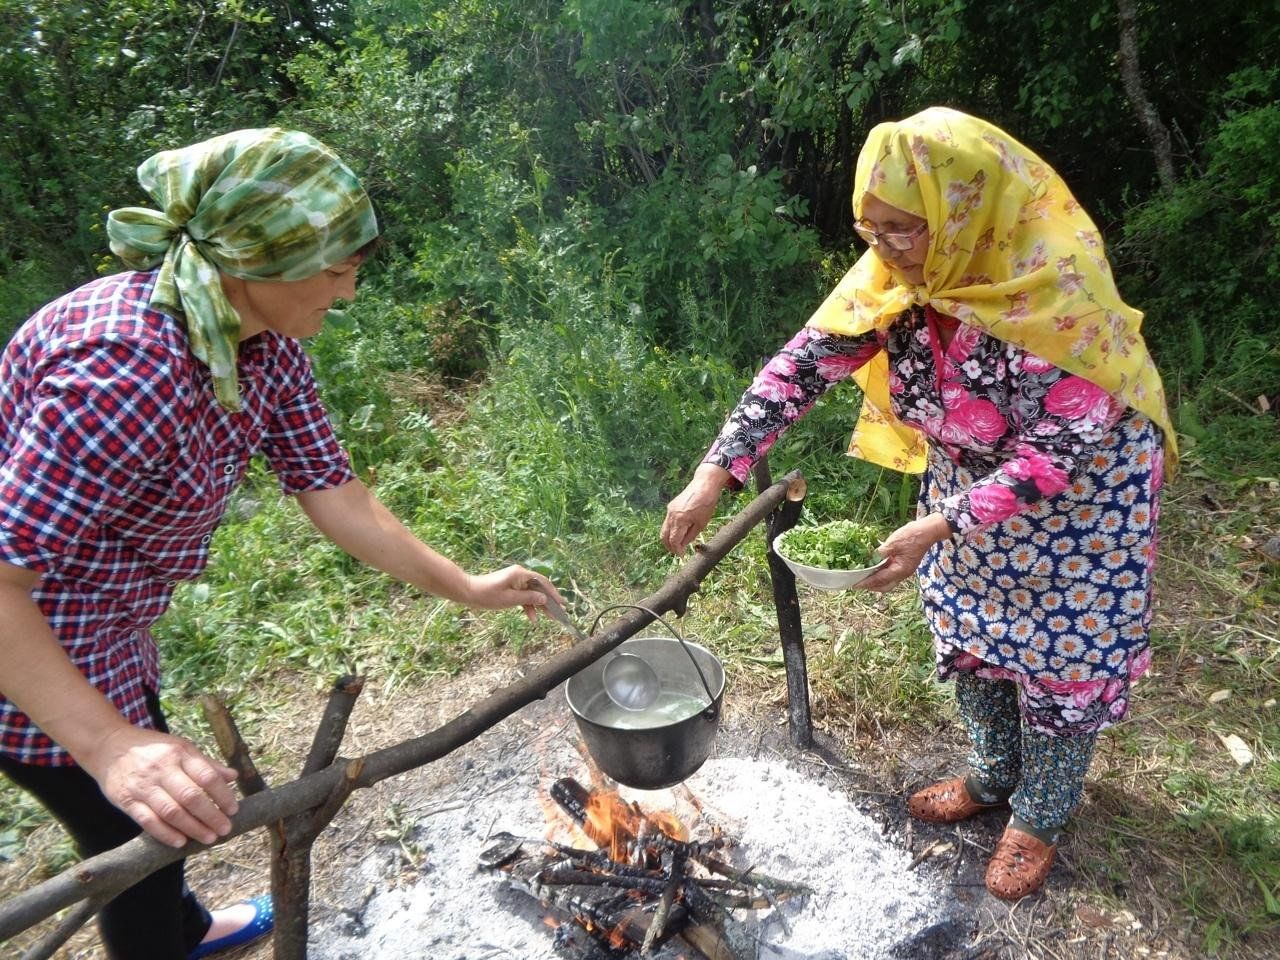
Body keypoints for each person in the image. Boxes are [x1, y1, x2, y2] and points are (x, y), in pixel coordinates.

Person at [0, 128, 561, 959]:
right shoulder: (127, 370)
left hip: (111, 624)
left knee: (156, 815)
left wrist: (468, 586)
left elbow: (334, 492)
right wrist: (109, 744)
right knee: (139, 837)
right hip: (32, 648)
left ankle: (184, 925)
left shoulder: (260, 345)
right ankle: (167, 937)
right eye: (337, 272)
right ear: (254, 262)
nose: (350, 293)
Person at [661, 107, 1176, 900]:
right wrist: (714, 473)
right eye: (869, 230)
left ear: (964, 212)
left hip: (1081, 508)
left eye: (903, 229)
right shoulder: (896, 283)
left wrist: (942, 522)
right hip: (968, 489)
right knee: (971, 626)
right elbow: (797, 372)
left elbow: (1060, 452)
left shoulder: (1056, 292)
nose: (883, 249)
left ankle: (1037, 817)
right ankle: (993, 772)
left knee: (1063, 659)